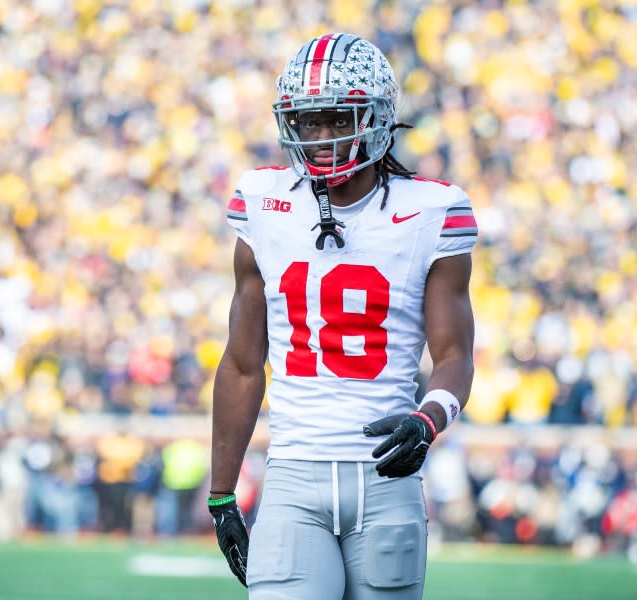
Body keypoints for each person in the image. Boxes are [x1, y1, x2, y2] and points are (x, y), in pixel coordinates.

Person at [208, 33, 476, 598]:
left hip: (387, 480)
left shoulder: (431, 210)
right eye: (309, 122)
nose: (323, 137)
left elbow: (453, 355)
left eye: (337, 119)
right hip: (293, 476)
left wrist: (428, 420)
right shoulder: (263, 203)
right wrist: (222, 493)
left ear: (377, 117)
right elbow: (240, 365)